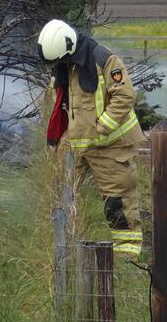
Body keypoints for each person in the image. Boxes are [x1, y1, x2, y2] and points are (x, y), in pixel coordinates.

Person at [38, 19, 144, 255]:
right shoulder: (63, 65)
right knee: (63, 195)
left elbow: (125, 96)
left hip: (110, 145)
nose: (60, 65)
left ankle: (127, 258)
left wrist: (102, 127)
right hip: (75, 145)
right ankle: (68, 252)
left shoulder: (103, 59)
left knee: (118, 202)